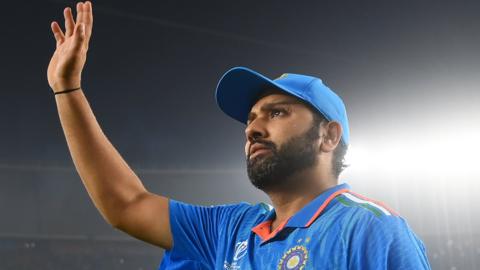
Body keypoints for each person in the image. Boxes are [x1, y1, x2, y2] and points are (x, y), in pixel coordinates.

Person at [47, 2, 432, 269]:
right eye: (250, 118)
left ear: (328, 136)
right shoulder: (230, 229)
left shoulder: (371, 229)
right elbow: (125, 205)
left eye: (277, 112)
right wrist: (68, 90)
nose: (253, 128)